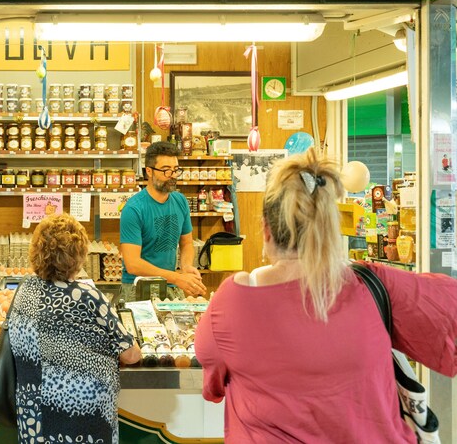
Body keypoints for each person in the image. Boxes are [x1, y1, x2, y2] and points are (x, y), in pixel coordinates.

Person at [194, 148, 457, 442]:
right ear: (329, 226)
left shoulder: (233, 300)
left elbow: (213, 383)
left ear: (266, 230)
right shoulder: (372, 283)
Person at [8, 213, 141, 444]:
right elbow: (130, 354)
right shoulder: (87, 295)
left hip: (34, 414)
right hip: (83, 417)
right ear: (79, 255)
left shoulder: (24, 289)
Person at [120, 140, 207, 296]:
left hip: (170, 283)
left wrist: (186, 267)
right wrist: (176, 278)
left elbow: (186, 243)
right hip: (137, 286)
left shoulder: (180, 201)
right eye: (166, 170)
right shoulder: (133, 209)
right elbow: (132, 264)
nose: (172, 176)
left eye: (175, 170)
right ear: (149, 171)